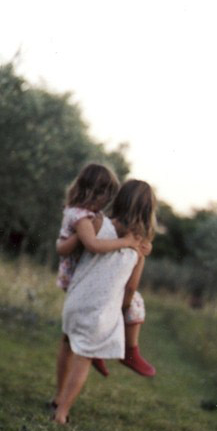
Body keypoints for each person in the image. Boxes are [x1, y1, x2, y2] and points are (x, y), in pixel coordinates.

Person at [53, 179, 157, 425]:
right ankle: (62, 412)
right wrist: (123, 307)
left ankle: (57, 397)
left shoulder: (95, 223)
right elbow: (131, 287)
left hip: (75, 302)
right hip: (99, 312)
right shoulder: (139, 246)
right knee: (84, 358)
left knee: (67, 344)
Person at [53, 163, 141, 383]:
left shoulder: (82, 213)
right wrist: (126, 242)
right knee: (124, 303)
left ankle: (100, 350)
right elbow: (92, 245)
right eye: (106, 197)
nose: (107, 203)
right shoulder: (82, 217)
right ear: (95, 193)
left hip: (77, 275)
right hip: (77, 276)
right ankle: (107, 350)